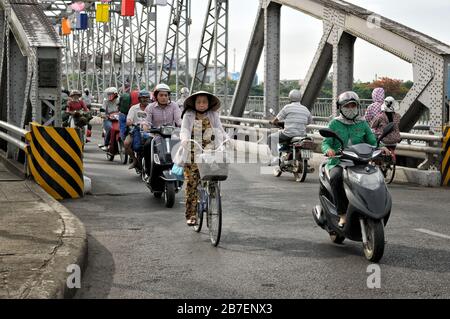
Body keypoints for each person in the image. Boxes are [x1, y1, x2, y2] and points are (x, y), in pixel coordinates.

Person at [322, 91, 381, 228]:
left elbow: (372, 141)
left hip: (359, 161)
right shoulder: (334, 124)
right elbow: (326, 143)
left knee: (375, 178)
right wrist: (328, 150)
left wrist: (381, 147)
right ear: (340, 108)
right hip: (339, 161)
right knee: (336, 178)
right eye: (347, 106)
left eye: (353, 105)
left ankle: (371, 207)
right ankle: (342, 214)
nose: (350, 109)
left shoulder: (362, 124)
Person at [172, 91, 229, 226]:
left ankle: (213, 194)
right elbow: (184, 130)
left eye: (204, 102)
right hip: (192, 151)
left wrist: (226, 141)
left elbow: (219, 130)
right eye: (199, 102)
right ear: (194, 103)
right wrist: (185, 139)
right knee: (191, 183)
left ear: (209, 104)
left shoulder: (213, 115)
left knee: (215, 175)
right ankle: (191, 214)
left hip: (210, 151)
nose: (202, 105)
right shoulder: (188, 115)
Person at [142, 83, 182, 176]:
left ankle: (180, 172)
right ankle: (148, 170)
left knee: (184, 146)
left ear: (169, 96)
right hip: (155, 135)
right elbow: (146, 121)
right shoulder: (150, 107)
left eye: (166, 95)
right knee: (147, 145)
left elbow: (179, 120)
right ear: (156, 96)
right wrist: (145, 126)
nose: (164, 97)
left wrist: (184, 126)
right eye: (161, 95)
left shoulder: (174, 106)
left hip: (172, 135)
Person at [267, 89, 313, 165]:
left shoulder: (287, 107)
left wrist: (273, 122)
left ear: (290, 97)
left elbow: (276, 119)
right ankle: (304, 161)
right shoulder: (305, 109)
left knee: (270, 138)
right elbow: (309, 122)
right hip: (302, 135)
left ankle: (275, 157)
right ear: (300, 98)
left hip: (289, 134)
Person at [125, 90, 151, 169]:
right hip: (136, 129)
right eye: (143, 98)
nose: (145, 99)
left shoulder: (152, 108)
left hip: (150, 131)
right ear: (139, 99)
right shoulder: (134, 108)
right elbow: (129, 119)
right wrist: (130, 121)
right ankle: (134, 160)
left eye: (147, 97)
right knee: (126, 143)